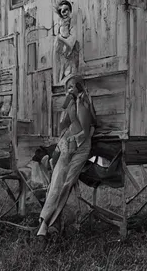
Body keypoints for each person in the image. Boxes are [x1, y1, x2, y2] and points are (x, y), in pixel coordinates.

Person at [38, 79, 95, 236]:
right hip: (68, 145)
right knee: (56, 180)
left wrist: (77, 100)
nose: (70, 89)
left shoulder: (83, 102)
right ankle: (46, 224)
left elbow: (86, 129)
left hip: (81, 148)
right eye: (67, 87)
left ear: (79, 87)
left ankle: (46, 223)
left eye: (73, 86)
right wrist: (62, 142)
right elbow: (63, 127)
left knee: (66, 183)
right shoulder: (69, 104)